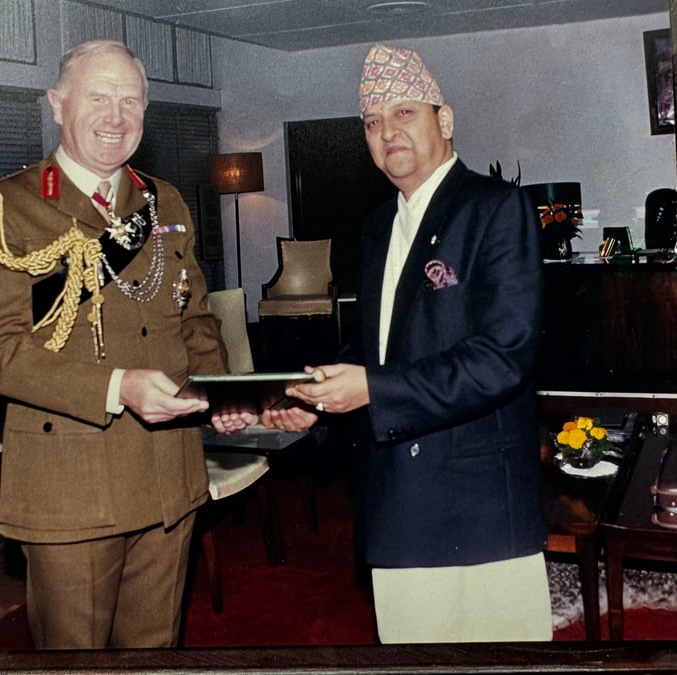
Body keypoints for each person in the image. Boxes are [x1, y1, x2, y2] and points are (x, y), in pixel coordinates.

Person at [0, 39, 254, 649]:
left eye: (130, 101)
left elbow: (194, 319)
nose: (115, 117)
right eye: (98, 98)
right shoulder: (6, 208)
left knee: (154, 651)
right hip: (71, 485)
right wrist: (118, 387)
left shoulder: (164, 200)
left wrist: (221, 393)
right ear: (57, 104)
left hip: (168, 472)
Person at [264, 42, 552, 643]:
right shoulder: (375, 227)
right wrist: (315, 400)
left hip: (481, 506)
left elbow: (504, 357)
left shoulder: (497, 208)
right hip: (396, 502)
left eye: (404, 113)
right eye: (373, 122)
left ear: (444, 121)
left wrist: (372, 387)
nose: (387, 132)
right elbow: (376, 350)